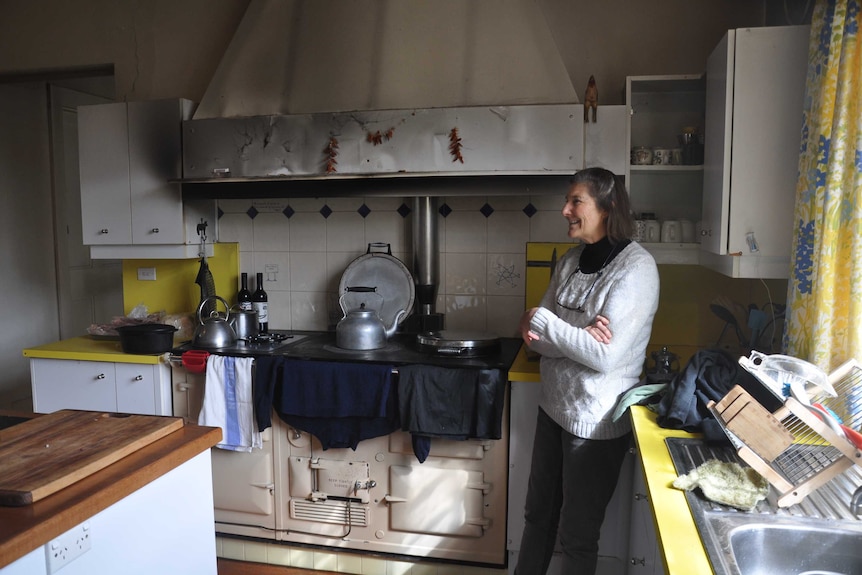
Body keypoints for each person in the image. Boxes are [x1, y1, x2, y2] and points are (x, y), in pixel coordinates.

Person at [515, 167, 660, 575]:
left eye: (576, 201)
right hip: (552, 408)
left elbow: (604, 358)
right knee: (537, 517)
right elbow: (533, 338)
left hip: (593, 422)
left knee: (577, 535)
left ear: (607, 207)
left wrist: (545, 321)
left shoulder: (637, 269)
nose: (565, 210)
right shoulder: (570, 260)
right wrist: (575, 334)